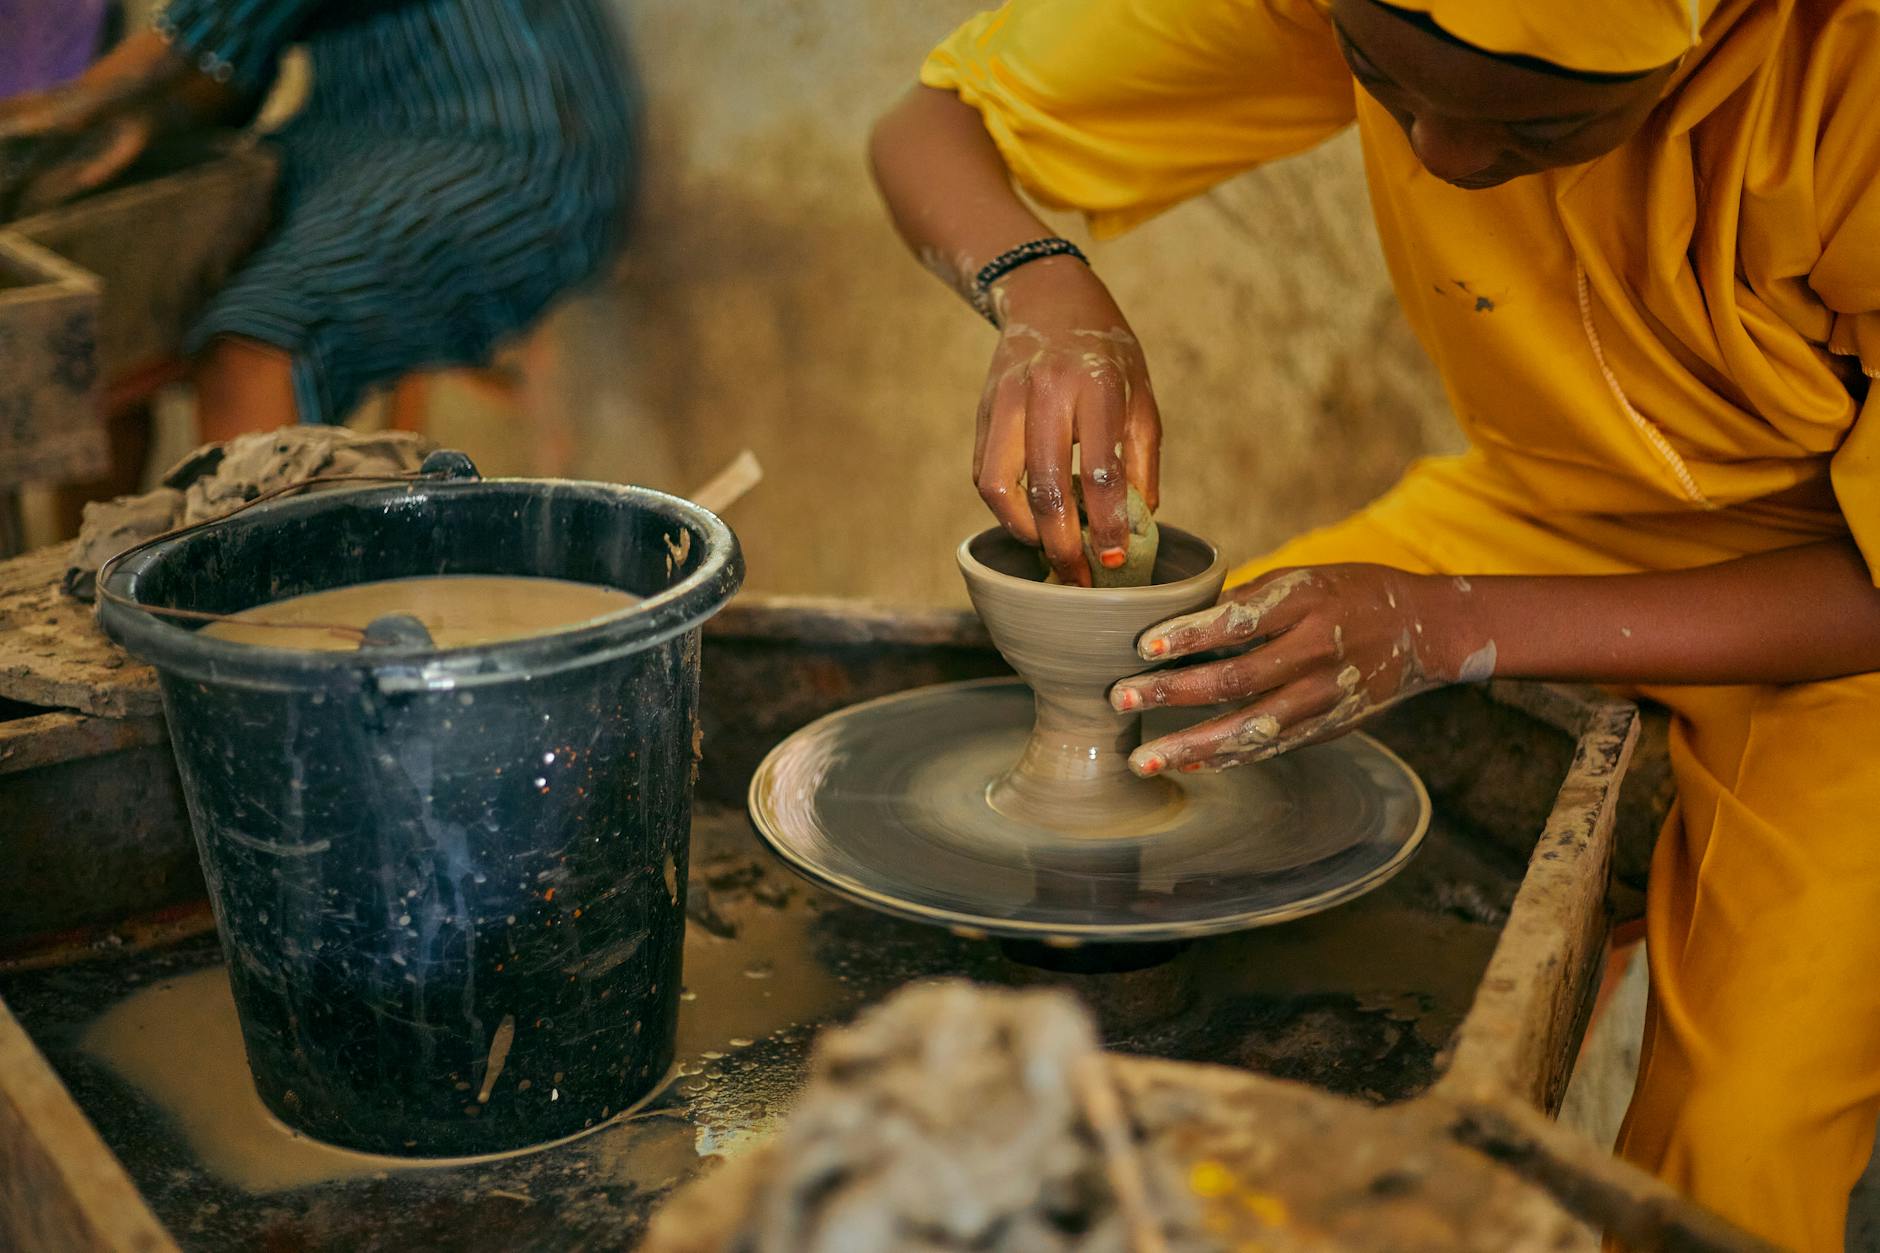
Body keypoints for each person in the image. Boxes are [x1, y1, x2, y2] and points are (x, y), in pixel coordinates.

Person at [871, 0, 1880, 1247]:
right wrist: (1041, 287)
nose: (1439, 156)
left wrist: (1444, 624)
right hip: (1535, 512)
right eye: (1380, 83)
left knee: (1730, 1147)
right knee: (1172, 716)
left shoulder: (1850, 76)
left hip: (1829, 593)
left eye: (1539, 126)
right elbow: (930, 125)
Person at [0, 0, 636, 442]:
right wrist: (149, 117)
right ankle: (89, 570)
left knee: (256, 341)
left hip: (508, 140)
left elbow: (192, 46)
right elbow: (226, 75)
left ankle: (259, 590)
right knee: (121, 267)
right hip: (354, 127)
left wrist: (67, 106)